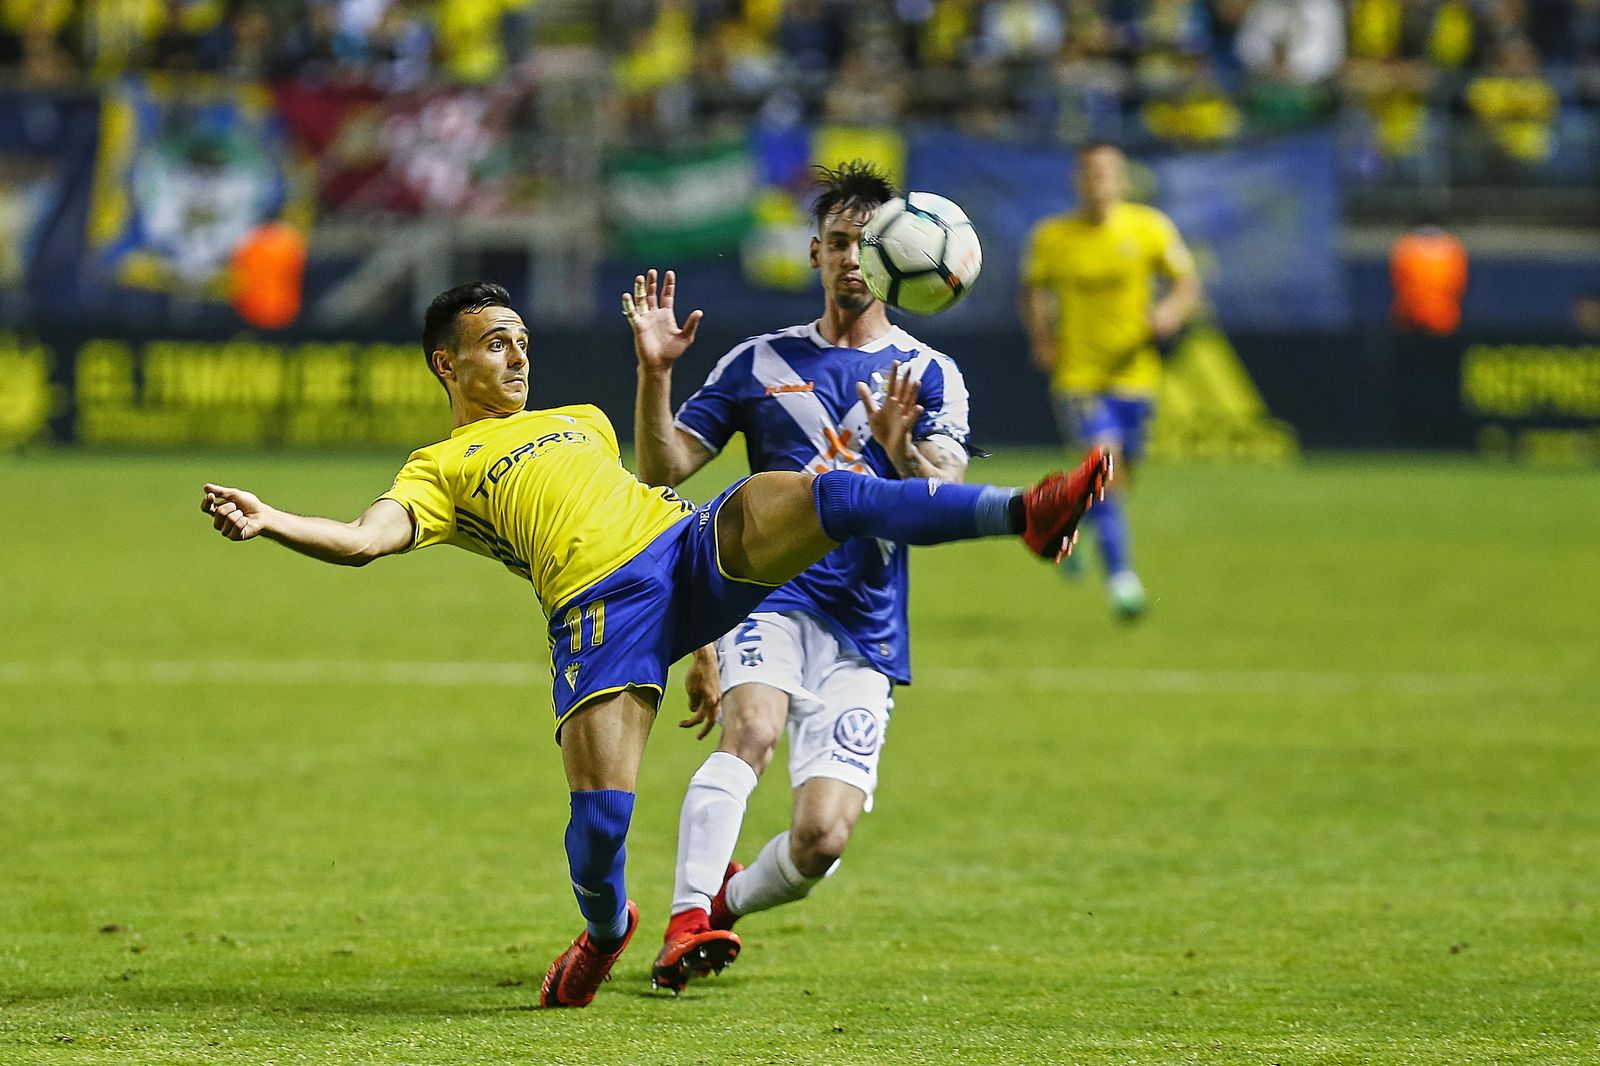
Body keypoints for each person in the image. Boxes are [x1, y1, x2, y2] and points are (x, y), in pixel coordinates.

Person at [199, 279, 1112, 1009]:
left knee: (823, 493)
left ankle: (1023, 513)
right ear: (447, 363)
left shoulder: (582, 420)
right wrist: (273, 519)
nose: (517, 354)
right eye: (493, 343)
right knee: (599, 831)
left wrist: (709, 643)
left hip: (685, 549)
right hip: (600, 619)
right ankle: (604, 932)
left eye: (520, 338)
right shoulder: (440, 470)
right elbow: (365, 541)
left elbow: (659, 490)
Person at [632, 162, 973, 993]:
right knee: (750, 731)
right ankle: (681, 924)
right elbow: (664, 466)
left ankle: (722, 902)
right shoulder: (758, 363)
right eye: (842, 243)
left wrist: (899, 452)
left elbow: (950, 498)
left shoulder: (929, 375)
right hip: (769, 595)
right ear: (815, 252)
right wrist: (655, 371)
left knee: (822, 839)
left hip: (868, 624)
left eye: (871, 244)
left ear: (900, 258)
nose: (855, 259)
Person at [1020, 141, 1201, 619]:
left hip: (1135, 376)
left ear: (1123, 180)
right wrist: (1042, 337)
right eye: (1089, 172)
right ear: (1077, 181)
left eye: (1107, 172)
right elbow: (1035, 289)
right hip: (1079, 376)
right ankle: (1122, 578)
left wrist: (1168, 311)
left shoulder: (1149, 227)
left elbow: (1186, 284)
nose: (1098, 180)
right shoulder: (1052, 237)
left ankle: (1059, 522)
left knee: (1119, 480)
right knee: (1105, 467)